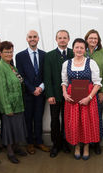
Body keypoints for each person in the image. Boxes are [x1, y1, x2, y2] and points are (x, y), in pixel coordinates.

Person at [61, 38, 102, 160]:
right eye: (77, 47)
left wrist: (89, 97)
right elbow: (64, 81)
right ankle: (77, 146)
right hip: (71, 99)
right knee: (75, 123)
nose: (79, 50)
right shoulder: (66, 63)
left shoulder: (91, 63)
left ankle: (86, 146)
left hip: (87, 99)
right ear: (73, 49)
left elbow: (97, 83)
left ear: (85, 50)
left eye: (82, 48)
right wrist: (64, 93)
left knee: (86, 122)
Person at [16, 30, 49, 155]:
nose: (32, 39)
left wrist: (41, 87)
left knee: (39, 118)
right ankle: (30, 143)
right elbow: (20, 76)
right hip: (27, 94)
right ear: (26, 39)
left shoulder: (44, 55)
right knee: (28, 119)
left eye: (34, 37)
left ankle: (39, 141)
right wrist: (32, 89)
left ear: (38, 38)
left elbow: (46, 74)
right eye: (30, 37)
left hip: (41, 93)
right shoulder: (20, 56)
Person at [0, 41, 27, 164]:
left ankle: (16, 147)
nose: (9, 54)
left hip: (18, 103)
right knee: (9, 129)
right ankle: (10, 151)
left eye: (11, 51)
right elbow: (1, 90)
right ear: (1, 53)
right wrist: (7, 108)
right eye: (6, 52)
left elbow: (19, 81)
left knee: (17, 127)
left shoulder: (11, 66)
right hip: (8, 105)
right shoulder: (0, 67)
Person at [44, 30, 73, 158]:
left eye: (64, 38)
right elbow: (47, 77)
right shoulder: (49, 55)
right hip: (55, 95)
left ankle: (66, 143)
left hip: (70, 95)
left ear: (68, 39)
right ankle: (56, 144)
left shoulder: (74, 53)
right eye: (60, 38)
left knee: (67, 120)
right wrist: (49, 94)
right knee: (55, 120)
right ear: (56, 39)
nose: (62, 40)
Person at [84, 29, 103, 154]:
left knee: (97, 117)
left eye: (95, 38)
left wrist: (102, 91)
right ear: (86, 39)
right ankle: (86, 142)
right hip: (84, 92)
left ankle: (97, 142)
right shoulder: (82, 51)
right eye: (91, 38)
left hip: (98, 91)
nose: (93, 40)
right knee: (86, 117)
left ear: (98, 40)